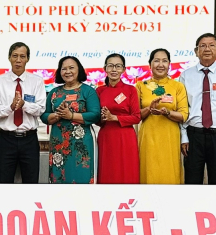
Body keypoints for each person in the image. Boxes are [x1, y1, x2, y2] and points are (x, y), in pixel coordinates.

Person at [180, 33, 216, 185]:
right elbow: (183, 108)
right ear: (196, 51)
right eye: (203, 46)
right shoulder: (186, 75)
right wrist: (184, 137)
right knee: (192, 181)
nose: (207, 49)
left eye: (212, 45)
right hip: (194, 136)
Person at [0, 42, 47, 183]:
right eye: (15, 56)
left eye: (22, 56)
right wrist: (11, 107)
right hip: (6, 139)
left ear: (27, 59)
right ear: (9, 58)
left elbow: (41, 109)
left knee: (31, 181)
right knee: (4, 181)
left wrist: (24, 105)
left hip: (29, 139)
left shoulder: (37, 81)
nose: (18, 60)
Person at [42, 56, 100, 183]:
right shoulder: (54, 92)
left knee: (82, 176)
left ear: (79, 70)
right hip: (58, 142)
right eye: (64, 69)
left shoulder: (88, 91)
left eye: (71, 68)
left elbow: (95, 115)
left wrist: (71, 116)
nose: (67, 71)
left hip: (82, 143)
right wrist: (57, 115)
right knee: (59, 177)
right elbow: (44, 116)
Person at [136, 48, 189, 184]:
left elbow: (184, 115)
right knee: (149, 173)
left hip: (169, 138)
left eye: (164, 61)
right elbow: (135, 116)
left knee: (169, 173)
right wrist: (149, 109)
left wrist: (167, 113)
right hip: (148, 138)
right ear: (150, 64)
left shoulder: (178, 86)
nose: (160, 64)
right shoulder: (141, 86)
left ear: (169, 64)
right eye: (156, 61)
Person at [95, 53, 141, 184]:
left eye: (118, 66)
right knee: (107, 171)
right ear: (105, 69)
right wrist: (103, 118)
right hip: (106, 136)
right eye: (110, 66)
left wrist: (114, 117)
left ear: (123, 69)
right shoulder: (99, 91)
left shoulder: (130, 90)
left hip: (125, 137)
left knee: (126, 171)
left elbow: (136, 117)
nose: (114, 69)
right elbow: (96, 119)